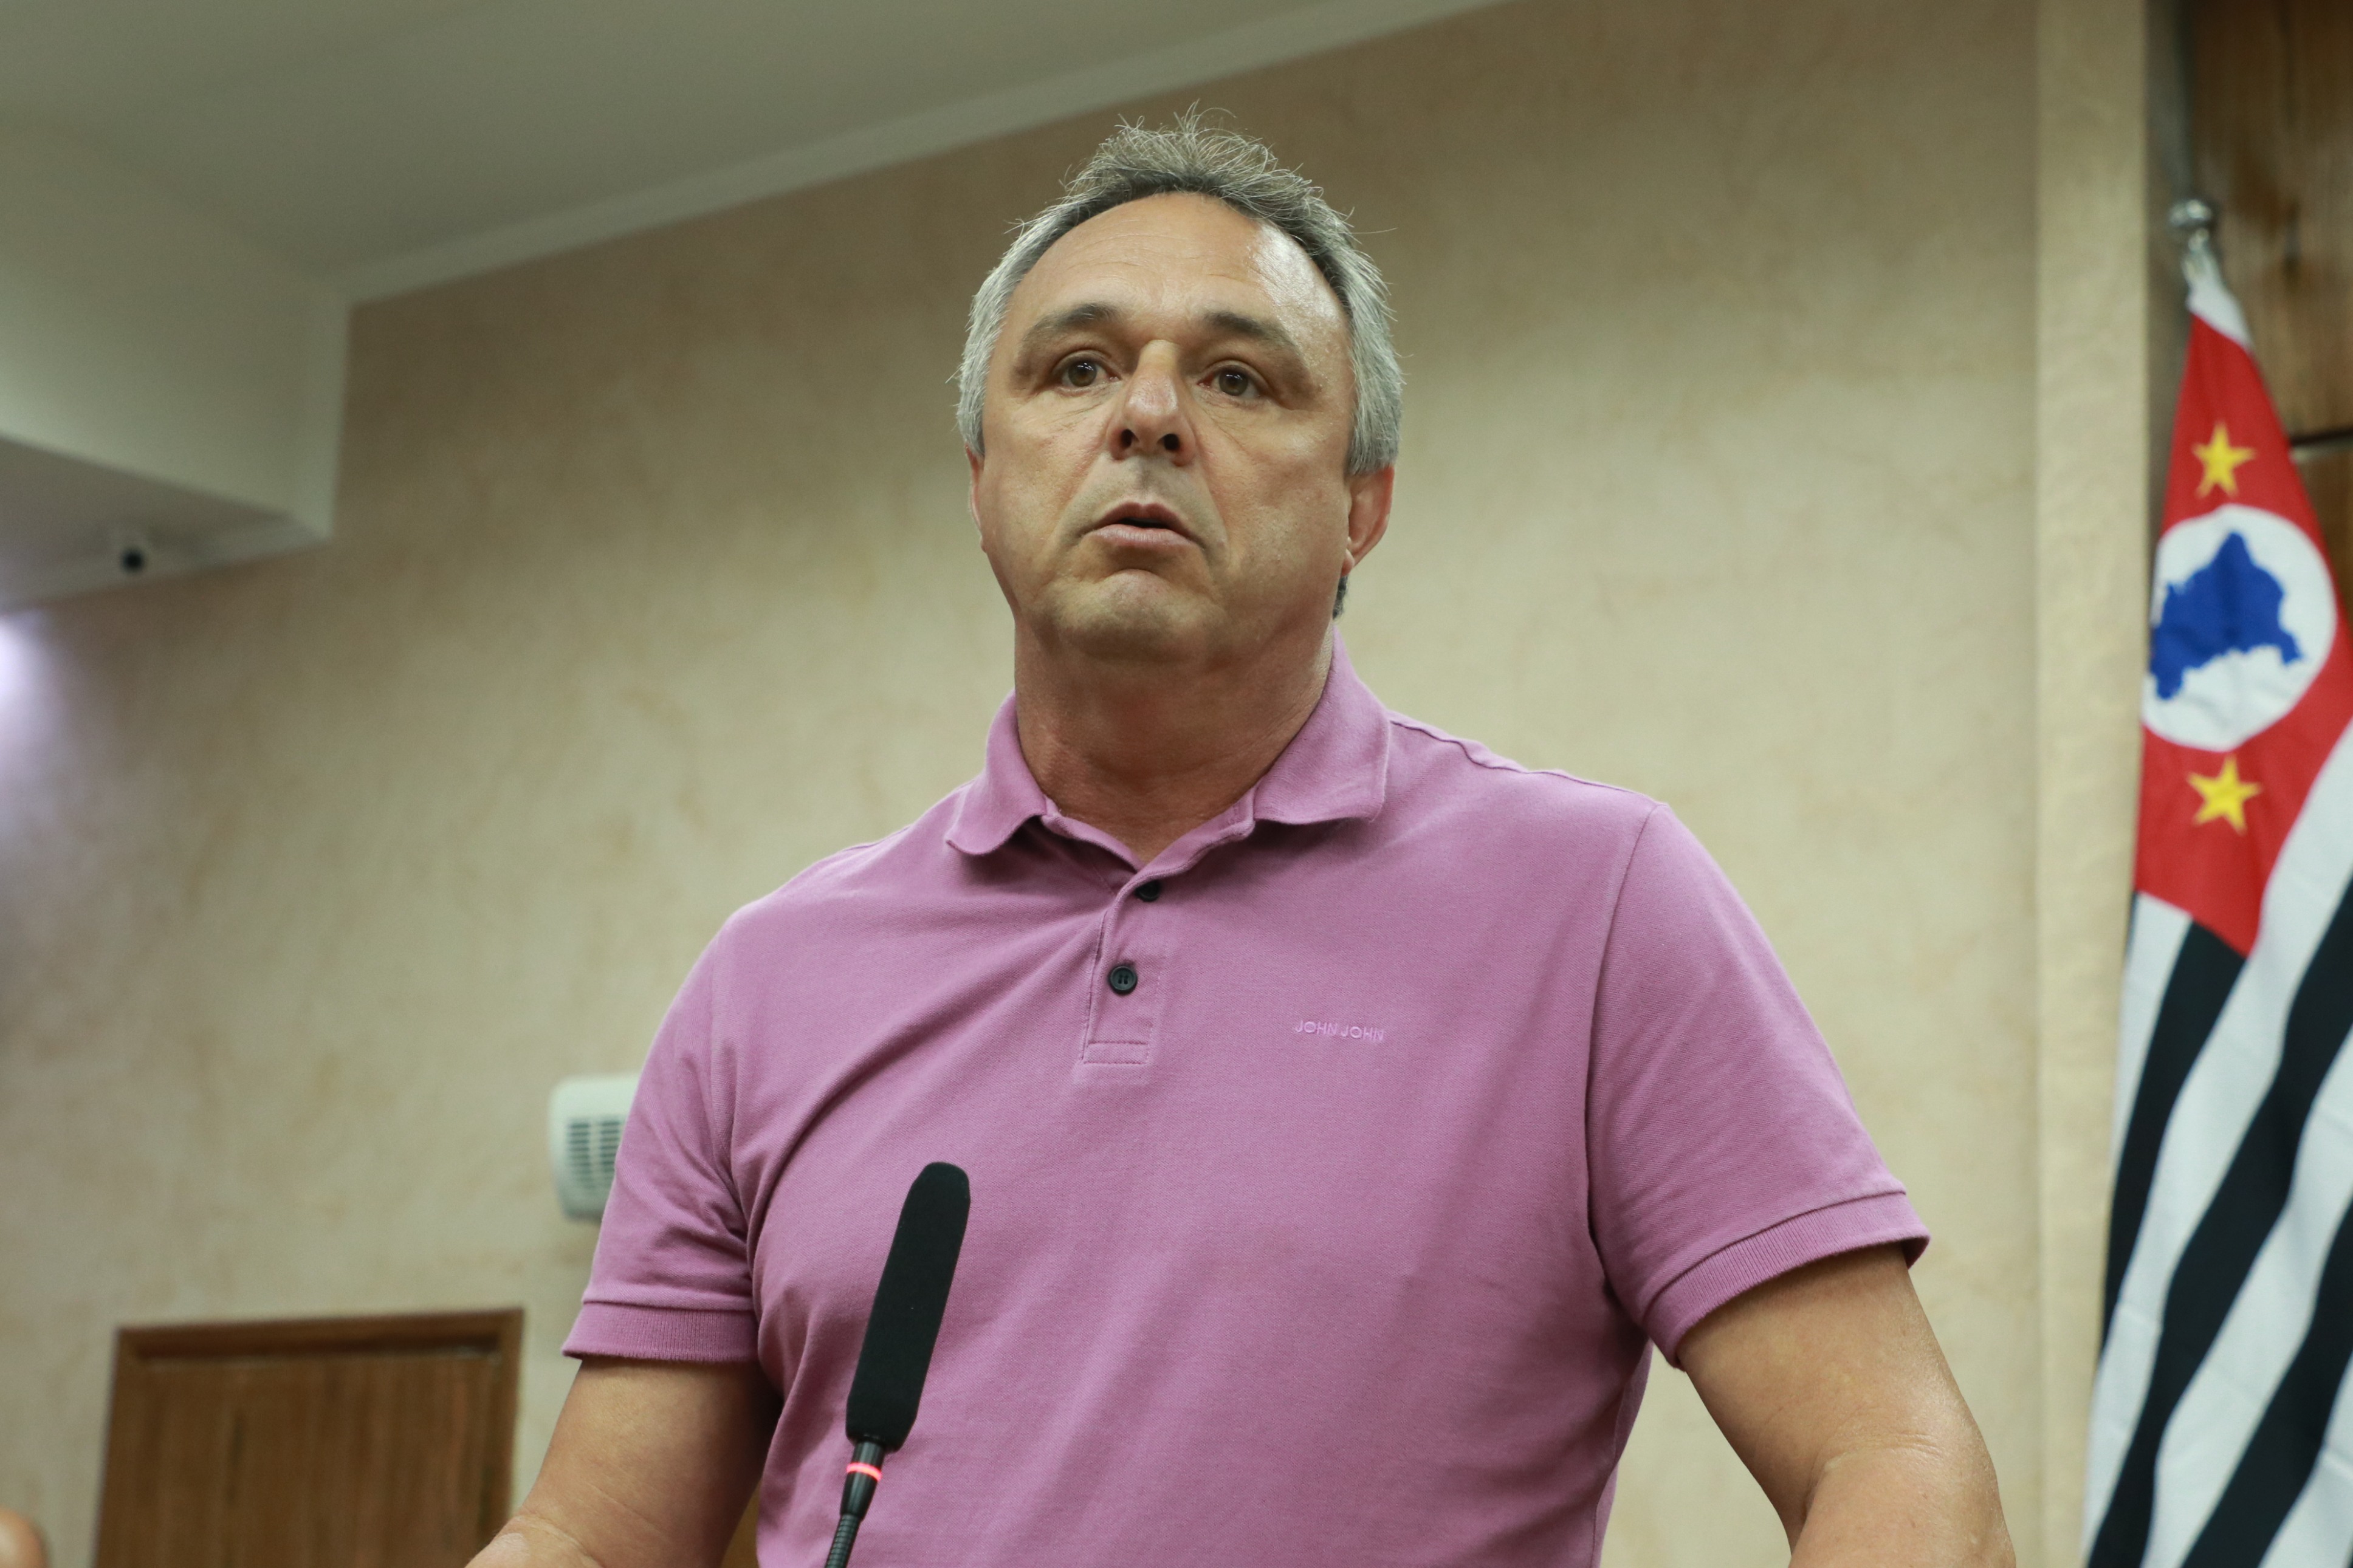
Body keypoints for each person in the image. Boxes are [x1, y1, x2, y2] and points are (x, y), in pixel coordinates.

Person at [475, 117, 2013, 1567]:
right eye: (1077, 368)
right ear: (982, 484)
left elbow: (1890, 1454)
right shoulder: (768, 979)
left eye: (1237, 378)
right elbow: (592, 1539)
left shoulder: (1596, 903)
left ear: (1362, 508)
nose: (1145, 416)